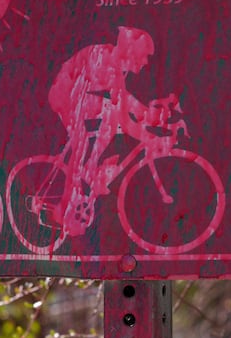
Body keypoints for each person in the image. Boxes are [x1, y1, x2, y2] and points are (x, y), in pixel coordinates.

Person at [47, 27, 158, 229]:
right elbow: (123, 114)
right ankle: (67, 207)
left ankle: (90, 176)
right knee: (92, 135)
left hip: (82, 97)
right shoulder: (103, 61)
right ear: (131, 50)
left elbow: (121, 96)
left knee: (106, 122)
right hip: (66, 96)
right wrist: (146, 135)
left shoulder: (115, 65)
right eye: (143, 56)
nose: (145, 62)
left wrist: (145, 113)